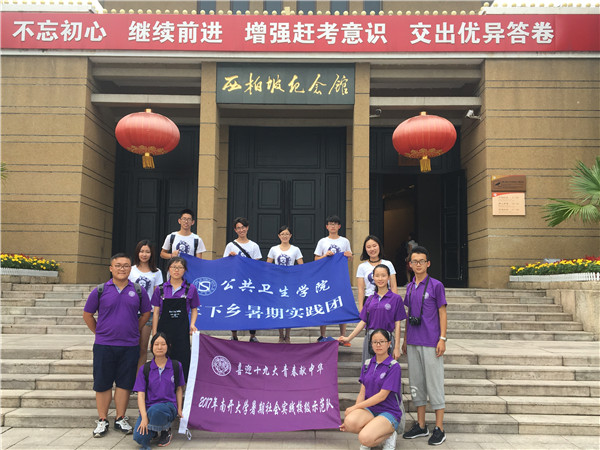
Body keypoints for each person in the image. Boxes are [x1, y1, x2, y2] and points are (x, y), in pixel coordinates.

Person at [83, 253, 152, 438]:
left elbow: (146, 314)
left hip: (129, 345)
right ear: (111, 268)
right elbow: (87, 314)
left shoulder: (138, 290)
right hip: (104, 345)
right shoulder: (100, 290)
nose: (122, 269)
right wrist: (99, 332)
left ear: (131, 269)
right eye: (118, 265)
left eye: (126, 265)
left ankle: (120, 418)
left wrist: (134, 329)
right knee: (102, 382)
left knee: (124, 383)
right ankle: (102, 419)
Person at [401, 245, 448, 446]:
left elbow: (442, 313)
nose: (418, 264)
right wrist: (404, 339)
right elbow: (408, 314)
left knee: (434, 384)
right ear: (410, 265)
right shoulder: (410, 287)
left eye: (421, 261)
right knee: (416, 383)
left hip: (431, 342)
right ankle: (421, 425)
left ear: (428, 263)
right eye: (414, 261)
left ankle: (439, 428)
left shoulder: (436, 285)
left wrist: (442, 338)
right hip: (413, 341)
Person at [340, 329, 403, 450]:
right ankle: (374, 430)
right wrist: (354, 411)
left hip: (388, 411)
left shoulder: (393, 366)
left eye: (382, 341)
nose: (378, 345)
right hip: (370, 410)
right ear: (371, 344)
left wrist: (355, 407)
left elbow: (381, 396)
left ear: (389, 344)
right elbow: (362, 393)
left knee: (365, 438)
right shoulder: (368, 364)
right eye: (375, 342)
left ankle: (389, 434)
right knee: (350, 421)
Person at [339, 264, 406, 363]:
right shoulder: (370, 299)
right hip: (370, 340)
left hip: (386, 340)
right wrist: (349, 338)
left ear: (388, 277)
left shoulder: (396, 299)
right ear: (373, 278)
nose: (380, 278)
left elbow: (398, 324)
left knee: (385, 370)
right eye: (377, 276)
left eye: (383, 275)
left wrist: (396, 347)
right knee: (368, 368)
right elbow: (363, 322)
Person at [151, 257, 199, 382]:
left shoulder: (190, 288)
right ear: (168, 269)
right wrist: (154, 332)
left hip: (181, 331)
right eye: (173, 267)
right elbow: (156, 313)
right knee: (163, 356)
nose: (176, 270)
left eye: (180, 267)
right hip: (164, 330)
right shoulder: (160, 289)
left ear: (185, 270)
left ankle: (181, 385)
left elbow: (194, 309)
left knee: (183, 357)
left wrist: (192, 324)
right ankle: (162, 384)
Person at [132, 332, 184, 450]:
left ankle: (166, 430)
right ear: (151, 346)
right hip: (149, 408)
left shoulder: (176, 366)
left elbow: (179, 389)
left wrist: (179, 409)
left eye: (163, 344)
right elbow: (141, 395)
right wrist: (144, 417)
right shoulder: (145, 369)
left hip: (169, 406)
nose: (159, 347)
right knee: (139, 438)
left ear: (168, 346)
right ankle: (155, 429)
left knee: (156, 410)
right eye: (156, 344)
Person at [223, 217, 262, 342]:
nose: (241, 230)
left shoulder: (254, 246)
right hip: (235, 282)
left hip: (249, 282)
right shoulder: (230, 246)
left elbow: (257, 265)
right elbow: (225, 264)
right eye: (238, 228)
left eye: (243, 227)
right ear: (235, 230)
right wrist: (230, 258)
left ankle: (252, 335)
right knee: (235, 307)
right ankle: (234, 334)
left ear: (247, 228)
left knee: (251, 307)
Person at [314, 214, 352, 342]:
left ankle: (343, 336)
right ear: (327, 226)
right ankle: (322, 335)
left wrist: (349, 255)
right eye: (330, 224)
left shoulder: (345, 241)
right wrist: (325, 255)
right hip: (325, 278)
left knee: (342, 305)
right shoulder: (322, 241)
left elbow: (350, 257)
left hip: (340, 277)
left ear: (339, 226)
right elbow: (316, 259)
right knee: (324, 305)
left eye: (335, 224)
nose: (333, 226)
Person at [129, 240, 164, 371]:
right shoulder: (130, 270)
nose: (144, 254)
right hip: (131, 312)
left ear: (151, 254)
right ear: (137, 253)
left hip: (147, 313)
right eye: (141, 251)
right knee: (130, 346)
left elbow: (157, 295)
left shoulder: (157, 272)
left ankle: (139, 378)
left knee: (143, 348)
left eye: (147, 252)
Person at [266, 225, 304, 343]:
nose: (285, 236)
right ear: (279, 236)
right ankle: (280, 335)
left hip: (290, 284)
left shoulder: (295, 249)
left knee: (289, 309)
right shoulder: (273, 249)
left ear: (290, 235)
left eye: (287, 234)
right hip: (277, 283)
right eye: (282, 234)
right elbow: (267, 266)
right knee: (279, 310)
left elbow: (301, 266)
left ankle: (288, 335)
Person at [356, 235, 398, 311]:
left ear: (379, 246)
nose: (372, 249)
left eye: (374, 246)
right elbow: (361, 290)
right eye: (368, 247)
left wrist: (394, 304)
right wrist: (361, 308)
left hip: (387, 299)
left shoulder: (388, 264)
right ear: (365, 249)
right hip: (369, 300)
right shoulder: (361, 267)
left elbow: (393, 286)